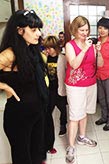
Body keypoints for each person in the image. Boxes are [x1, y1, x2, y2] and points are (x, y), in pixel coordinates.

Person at [0, 10, 49, 164]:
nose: (38, 34)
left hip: (37, 113)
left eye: (39, 29)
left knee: (37, 156)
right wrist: (5, 87)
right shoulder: (9, 54)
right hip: (18, 118)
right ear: (19, 31)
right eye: (33, 30)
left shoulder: (32, 51)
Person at [64, 15, 103, 163]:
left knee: (85, 112)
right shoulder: (70, 45)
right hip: (75, 86)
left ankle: (82, 137)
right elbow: (74, 64)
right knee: (75, 115)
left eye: (87, 30)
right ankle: (71, 146)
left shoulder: (92, 45)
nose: (85, 33)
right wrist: (85, 49)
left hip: (90, 84)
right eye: (82, 30)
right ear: (75, 30)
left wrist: (98, 51)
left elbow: (99, 64)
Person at [42, 36, 68, 155]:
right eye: (47, 48)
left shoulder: (62, 58)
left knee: (63, 109)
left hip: (60, 88)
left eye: (51, 48)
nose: (49, 50)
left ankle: (63, 124)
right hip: (49, 90)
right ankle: (47, 137)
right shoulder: (44, 58)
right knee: (48, 112)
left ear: (56, 47)